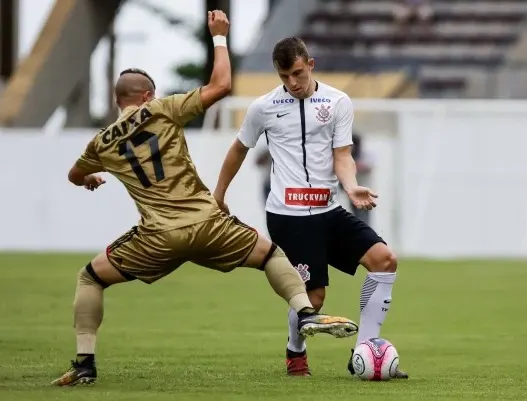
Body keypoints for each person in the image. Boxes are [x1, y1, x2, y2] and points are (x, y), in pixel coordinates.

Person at [51, 13, 358, 387]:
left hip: (157, 236)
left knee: (91, 277)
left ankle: (85, 363)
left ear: (118, 100)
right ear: (148, 95)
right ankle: (306, 312)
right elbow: (222, 84)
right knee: (272, 255)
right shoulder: (162, 109)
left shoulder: (100, 142)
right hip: (207, 222)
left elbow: (74, 174)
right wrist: (218, 38)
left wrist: (91, 179)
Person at [213, 37, 408, 379]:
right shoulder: (263, 107)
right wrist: (219, 194)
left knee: (384, 260)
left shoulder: (337, 102)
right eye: (284, 76)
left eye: (298, 73)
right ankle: (295, 352)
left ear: (311, 64)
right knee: (313, 299)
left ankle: (364, 351)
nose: (292, 82)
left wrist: (351, 187)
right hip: (288, 216)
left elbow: (342, 155)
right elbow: (239, 149)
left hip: (329, 210)